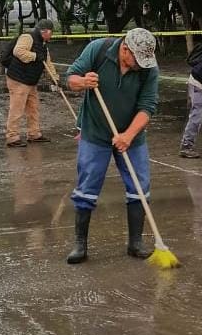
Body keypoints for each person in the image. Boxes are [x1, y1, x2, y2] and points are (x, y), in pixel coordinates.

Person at [64, 28, 159, 264]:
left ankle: (135, 243)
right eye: (137, 59)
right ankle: (80, 244)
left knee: (140, 186)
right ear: (125, 49)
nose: (141, 65)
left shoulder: (148, 68)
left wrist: (128, 135)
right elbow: (71, 79)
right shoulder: (98, 50)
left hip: (132, 136)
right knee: (87, 186)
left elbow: (148, 106)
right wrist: (83, 82)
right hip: (95, 132)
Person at [2, 18, 54, 146]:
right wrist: (35, 56)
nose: (52, 35)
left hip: (30, 81)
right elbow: (18, 51)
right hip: (18, 79)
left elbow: (48, 63)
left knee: (33, 108)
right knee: (17, 109)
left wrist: (54, 78)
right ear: (45, 31)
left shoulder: (43, 44)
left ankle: (34, 133)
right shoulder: (27, 37)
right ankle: (12, 136)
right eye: (51, 32)